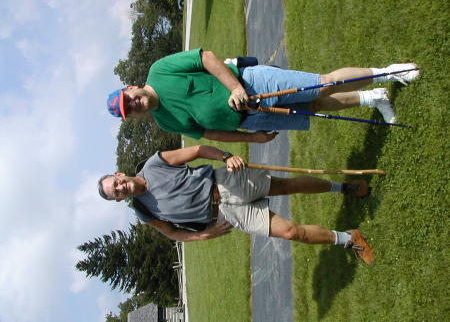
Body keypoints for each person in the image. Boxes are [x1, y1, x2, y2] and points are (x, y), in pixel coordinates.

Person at [97, 145, 374, 265]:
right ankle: (350, 238)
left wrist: (226, 156)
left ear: (120, 175)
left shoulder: (154, 164)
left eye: (116, 184)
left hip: (227, 182)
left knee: (287, 185)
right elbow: (171, 232)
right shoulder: (142, 211)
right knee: (290, 232)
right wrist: (201, 235)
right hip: (228, 214)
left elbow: (196, 151)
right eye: (116, 195)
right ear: (119, 200)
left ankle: (343, 187)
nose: (120, 190)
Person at [106, 48, 419, 143]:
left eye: (128, 99)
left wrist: (236, 88)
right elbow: (209, 133)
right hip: (253, 117)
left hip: (253, 83)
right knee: (315, 105)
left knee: (322, 84)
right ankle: (375, 97)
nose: (133, 105)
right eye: (128, 110)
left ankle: (389, 72)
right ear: (133, 116)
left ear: (131, 87)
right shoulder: (165, 121)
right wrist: (251, 139)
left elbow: (207, 58)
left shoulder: (160, 70)